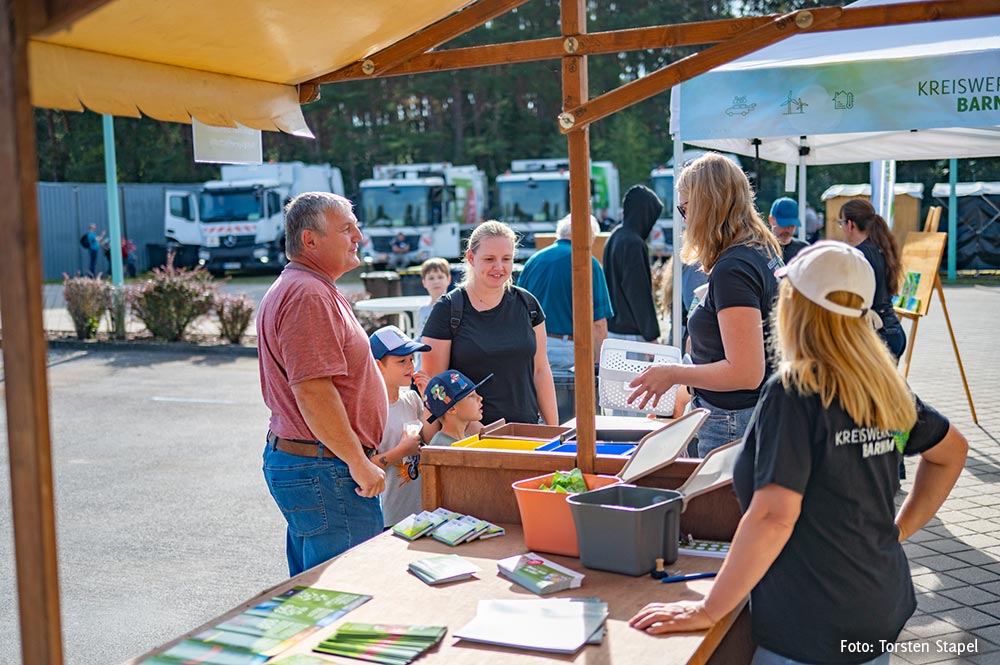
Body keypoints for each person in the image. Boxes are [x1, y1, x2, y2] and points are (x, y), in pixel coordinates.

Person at [629, 241, 968, 665]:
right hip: (877, 604)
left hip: (810, 621)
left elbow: (773, 517)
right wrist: (896, 532)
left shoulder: (796, 391)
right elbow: (952, 452)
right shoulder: (884, 386)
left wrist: (709, 609)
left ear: (797, 307)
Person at [257, 191, 387, 577]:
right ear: (310, 240)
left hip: (319, 465)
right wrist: (358, 462)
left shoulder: (308, 286)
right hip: (327, 469)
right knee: (345, 593)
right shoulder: (308, 294)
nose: (358, 237)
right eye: (346, 229)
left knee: (315, 592)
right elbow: (313, 392)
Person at [628, 153, 782, 457]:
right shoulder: (758, 249)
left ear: (707, 205)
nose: (684, 220)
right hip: (751, 415)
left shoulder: (734, 267)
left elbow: (746, 372)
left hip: (734, 420)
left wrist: (674, 374)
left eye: (685, 208)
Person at [421, 220, 558, 427]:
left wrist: (554, 430)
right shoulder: (447, 310)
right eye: (489, 259)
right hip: (470, 439)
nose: (499, 267)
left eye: (506, 259)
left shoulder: (528, 305)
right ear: (471, 258)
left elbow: (540, 371)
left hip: (526, 433)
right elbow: (435, 389)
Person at [517, 213, 614, 371]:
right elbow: (598, 323)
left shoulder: (533, 261)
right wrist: (601, 361)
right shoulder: (588, 263)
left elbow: (518, 309)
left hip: (534, 346)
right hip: (571, 349)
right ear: (588, 236)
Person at [369, 325, 433, 528]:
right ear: (378, 366)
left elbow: (430, 439)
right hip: (387, 516)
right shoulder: (370, 410)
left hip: (419, 509)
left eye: (412, 359)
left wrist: (428, 402)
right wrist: (402, 451)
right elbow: (364, 465)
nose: (410, 367)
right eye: (401, 361)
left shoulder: (412, 398)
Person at [838, 198, 906, 360]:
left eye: (841, 223)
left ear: (850, 224)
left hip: (876, 333)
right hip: (891, 328)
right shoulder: (882, 249)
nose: (842, 229)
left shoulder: (858, 255)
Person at [603, 185, 663, 343]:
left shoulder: (615, 235)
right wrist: (651, 336)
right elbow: (638, 292)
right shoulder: (634, 243)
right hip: (632, 334)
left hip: (612, 329)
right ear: (645, 214)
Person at [424, 370, 490, 446]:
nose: (480, 398)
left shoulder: (467, 439)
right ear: (452, 409)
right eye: (471, 396)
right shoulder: (440, 447)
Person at [415, 257, 451, 337]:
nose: (436, 281)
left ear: (448, 279)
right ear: (424, 282)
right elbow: (420, 337)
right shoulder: (422, 310)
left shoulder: (455, 308)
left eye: (440, 277)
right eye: (431, 278)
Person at [768, 197, 808, 265]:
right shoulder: (762, 249)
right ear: (771, 220)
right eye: (783, 224)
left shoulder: (804, 250)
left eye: (791, 225)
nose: (787, 229)